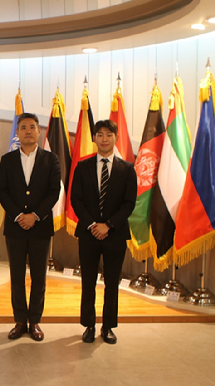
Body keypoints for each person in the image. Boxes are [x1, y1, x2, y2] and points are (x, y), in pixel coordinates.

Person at [70, 119, 137, 345]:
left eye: (109, 134)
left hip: (115, 234)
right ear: (94, 138)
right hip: (89, 234)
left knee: (112, 283)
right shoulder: (82, 166)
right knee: (87, 282)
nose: (105, 138)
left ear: (116, 138)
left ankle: (108, 326)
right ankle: (88, 325)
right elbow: (76, 200)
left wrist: (108, 225)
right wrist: (93, 225)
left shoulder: (127, 169)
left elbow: (129, 203)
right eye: (100, 134)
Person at [0, 112, 61, 342]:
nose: (28, 131)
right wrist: (18, 216)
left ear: (39, 131)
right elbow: (1, 191)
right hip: (15, 228)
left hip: (40, 227)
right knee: (16, 276)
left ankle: (35, 322)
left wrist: (34, 215)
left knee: (38, 278)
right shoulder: (7, 160)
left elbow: (54, 192)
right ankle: (19, 321)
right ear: (17, 132)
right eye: (23, 127)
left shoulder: (51, 159)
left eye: (32, 127)